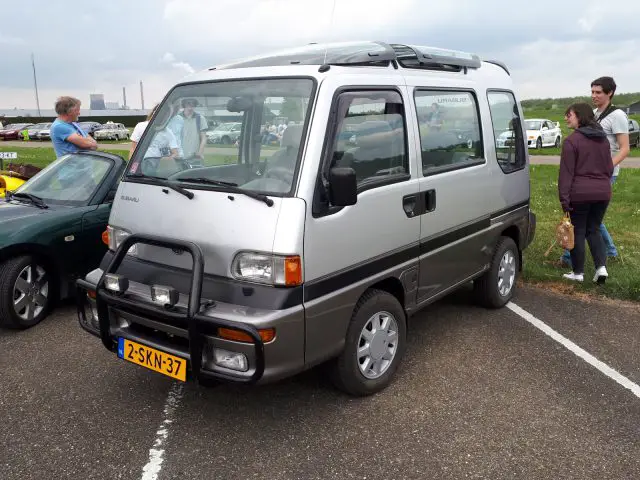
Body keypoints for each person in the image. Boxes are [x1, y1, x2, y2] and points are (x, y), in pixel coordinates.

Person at [561, 76, 629, 267]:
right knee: (591, 219)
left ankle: (577, 257)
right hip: (589, 172)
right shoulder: (593, 113)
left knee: (588, 218)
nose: (594, 96)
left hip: (605, 173)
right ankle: (605, 251)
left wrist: (607, 168)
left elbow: (624, 148)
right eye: (592, 92)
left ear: (610, 93)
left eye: (598, 92)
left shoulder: (617, 116)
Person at [558, 103, 613, 284]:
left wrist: (564, 201)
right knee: (594, 229)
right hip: (603, 192)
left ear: (580, 117)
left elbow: (566, 174)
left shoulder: (572, 141)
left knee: (579, 231)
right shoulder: (603, 139)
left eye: (570, 115)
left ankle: (578, 273)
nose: (566, 118)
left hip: (580, 193)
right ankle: (601, 268)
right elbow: (609, 168)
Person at [166, 98, 208, 163]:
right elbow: (171, 137)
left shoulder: (200, 118)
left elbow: (204, 138)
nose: (190, 105)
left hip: (195, 157)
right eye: (188, 103)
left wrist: (200, 152)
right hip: (180, 156)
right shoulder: (177, 118)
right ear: (184, 104)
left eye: (193, 103)